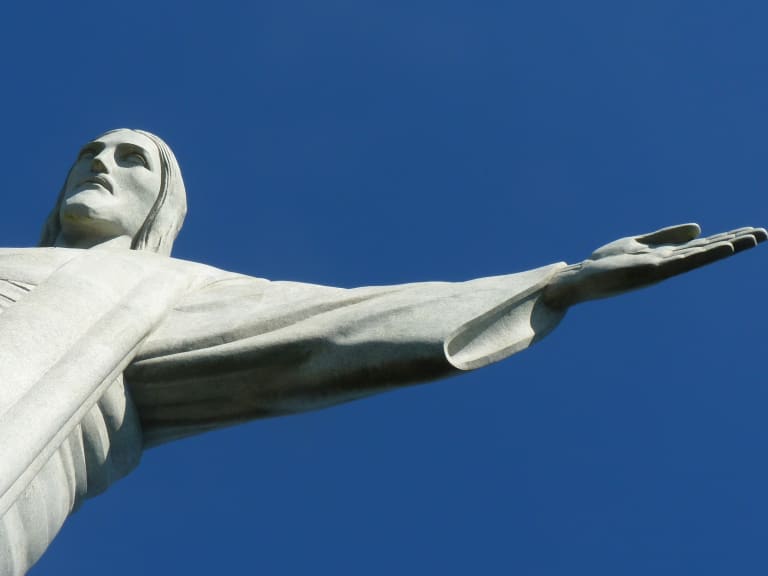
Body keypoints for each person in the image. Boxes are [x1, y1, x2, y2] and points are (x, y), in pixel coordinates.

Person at [0, 129, 763, 575]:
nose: (101, 163)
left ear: (161, 204)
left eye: (132, 159)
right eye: (91, 152)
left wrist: (560, 282)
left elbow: (351, 324)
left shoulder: (171, 290)